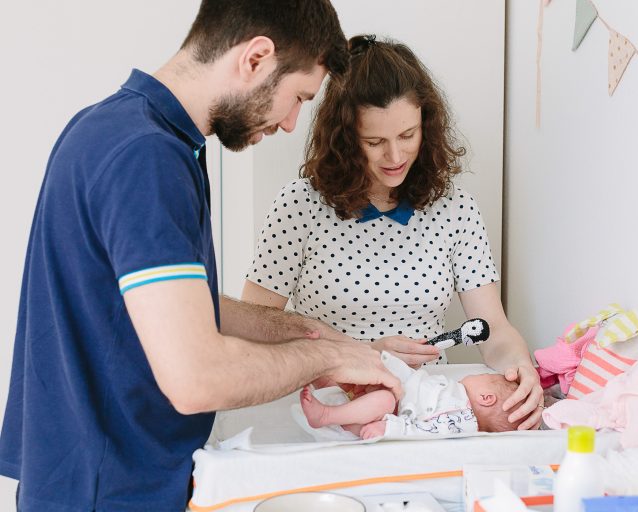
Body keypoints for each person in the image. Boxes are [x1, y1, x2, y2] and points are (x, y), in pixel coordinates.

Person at [0, 3, 404, 512]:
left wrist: (326, 338)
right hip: (111, 489)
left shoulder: (115, 129)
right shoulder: (148, 158)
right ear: (256, 58)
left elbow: (173, 308)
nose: (289, 124)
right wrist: (323, 360)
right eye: (297, 97)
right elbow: (197, 379)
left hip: (88, 477)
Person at [242, 34, 544, 429]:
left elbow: (494, 330)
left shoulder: (455, 209)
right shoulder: (299, 206)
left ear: (426, 126)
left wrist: (521, 370)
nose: (396, 156)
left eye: (407, 136)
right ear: (347, 139)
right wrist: (365, 354)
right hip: (331, 408)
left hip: (431, 413)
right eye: (375, 142)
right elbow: (256, 331)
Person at [300, 351, 523, 439]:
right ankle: (332, 379)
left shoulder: (462, 417)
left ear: (486, 398)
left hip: (393, 413)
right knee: (381, 388)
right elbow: (416, 382)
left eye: (482, 375)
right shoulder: (454, 393)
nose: (475, 374)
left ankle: (327, 416)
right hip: (399, 394)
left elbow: (426, 431)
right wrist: (387, 362)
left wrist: (389, 429)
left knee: (383, 400)